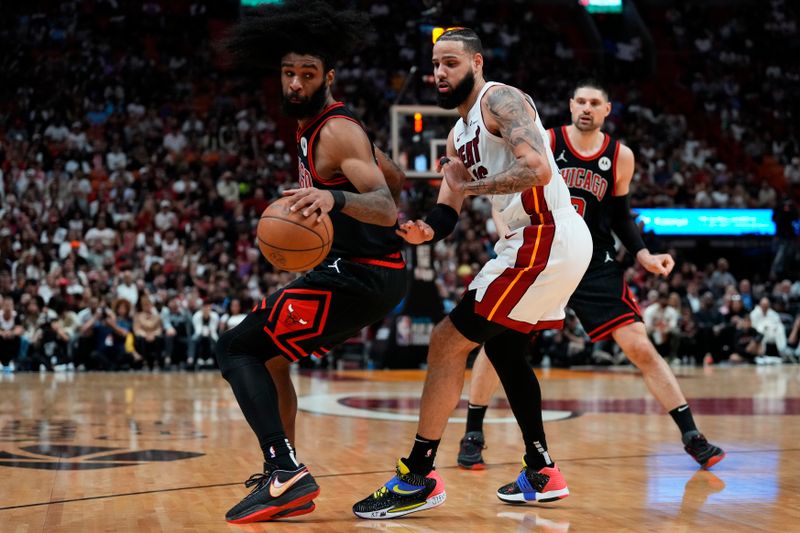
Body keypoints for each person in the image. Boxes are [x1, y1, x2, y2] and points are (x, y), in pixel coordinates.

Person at [353, 28, 592, 519]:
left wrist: (472, 184)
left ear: (476, 63)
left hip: (545, 234)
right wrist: (426, 230)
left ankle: (417, 475)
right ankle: (542, 470)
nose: (440, 73)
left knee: (446, 340)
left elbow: (539, 171)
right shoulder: (456, 134)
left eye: (451, 63)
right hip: (532, 241)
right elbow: (449, 207)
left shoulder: (499, 101)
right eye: (436, 65)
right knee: (503, 346)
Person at [455, 80, 725, 473]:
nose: (585, 107)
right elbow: (507, 193)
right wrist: (506, 233)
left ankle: (692, 435)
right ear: (569, 105)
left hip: (594, 261)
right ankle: (473, 433)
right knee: (497, 341)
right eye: (579, 101)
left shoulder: (620, 155)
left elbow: (620, 214)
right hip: (543, 250)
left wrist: (644, 254)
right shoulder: (544, 138)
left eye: (594, 102)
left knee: (639, 345)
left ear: (606, 110)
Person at [215, 0, 407, 524]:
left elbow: (387, 208)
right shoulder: (320, 126)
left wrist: (336, 198)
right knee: (271, 358)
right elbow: (394, 180)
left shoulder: (335, 130)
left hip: (365, 274)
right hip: (359, 272)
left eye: (308, 74)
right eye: (289, 73)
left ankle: (285, 472)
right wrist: (372, 161)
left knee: (233, 348)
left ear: (329, 77)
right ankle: (286, 470)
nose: (296, 83)